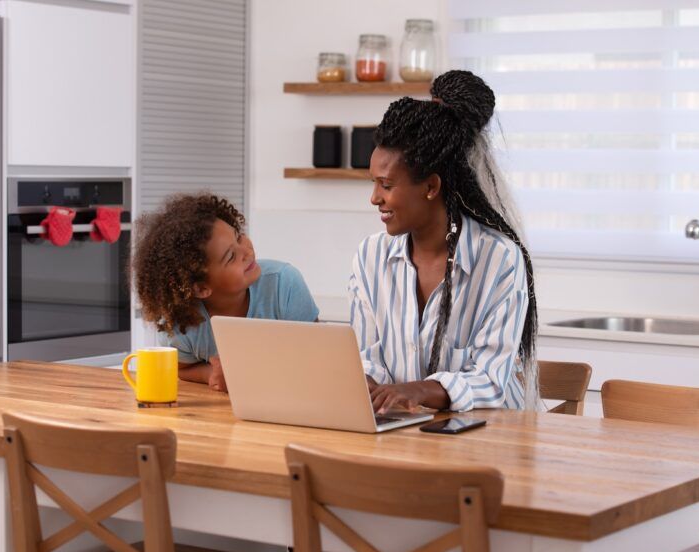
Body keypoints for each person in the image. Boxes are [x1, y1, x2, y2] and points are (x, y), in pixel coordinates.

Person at [350, 70, 539, 413]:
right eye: (373, 183)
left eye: (386, 185)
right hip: (409, 433)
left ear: (430, 187)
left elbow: (491, 380)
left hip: (495, 437)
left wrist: (418, 391)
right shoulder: (370, 256)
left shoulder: (499, 260)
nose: (374, 198)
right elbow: (367, 357)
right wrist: (364, 381)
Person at [131, 192, 319, 392]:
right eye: (231, 256)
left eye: (238, 237)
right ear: (201, 289)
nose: (246, 252)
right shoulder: (184, 324)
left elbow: (318, 356)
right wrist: (210, 374)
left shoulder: (284, 284)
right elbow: (181, 367)